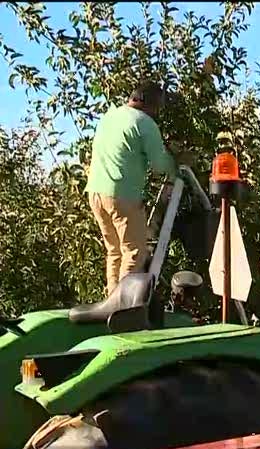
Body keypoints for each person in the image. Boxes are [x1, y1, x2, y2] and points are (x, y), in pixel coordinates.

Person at [85, 80, 184, 296]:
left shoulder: (110, 117)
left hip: (96, 193)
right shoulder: (144, 122)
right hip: (122, 195)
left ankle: (110, 304)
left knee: (115, 252)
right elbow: (159, 165)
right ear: (152, 105)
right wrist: (176, 164)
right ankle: (122, 307)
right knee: (135, 254)